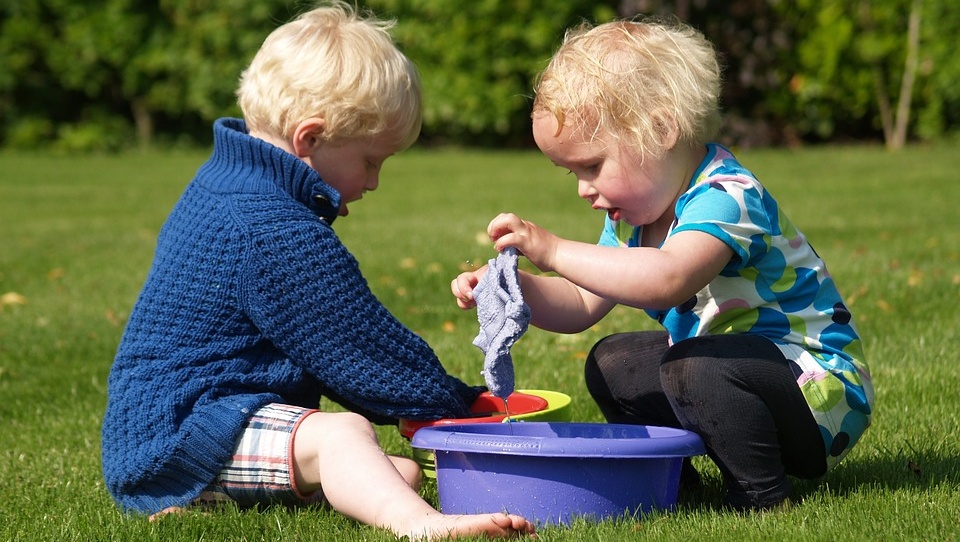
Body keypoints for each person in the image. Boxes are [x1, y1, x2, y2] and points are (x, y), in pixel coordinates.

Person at [101, 3, 534, 539]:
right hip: (184, 433)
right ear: (309, 139)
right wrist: (459, 403)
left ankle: (207, 503)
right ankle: (423, 527)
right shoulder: (271, 228)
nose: (374, 182)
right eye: (371, 161)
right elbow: (359, 348)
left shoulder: (227, 183)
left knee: (392, 471)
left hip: (181, 423)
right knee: (343, 435)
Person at [451, 16, 874, 512]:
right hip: (729, 374)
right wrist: (511, 287)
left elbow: (668, 279)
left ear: (660, 130)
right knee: (613, 363)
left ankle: (761, 496)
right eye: (572, 172)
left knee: (690, 367)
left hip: (815, 391)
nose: (584, 189)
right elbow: (583, 301)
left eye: (592, 166)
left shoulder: (727, 195)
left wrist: (554, 249)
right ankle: (674, 484)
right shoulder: (633, 220)